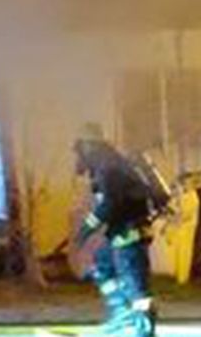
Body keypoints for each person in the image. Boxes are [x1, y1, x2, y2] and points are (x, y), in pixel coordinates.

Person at [74, 124, 157, 337]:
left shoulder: (107, 166)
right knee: (101, 264)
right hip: (121, 231)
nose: (78, 157)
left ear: (89, 146)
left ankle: (142, 329)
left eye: (80, 149)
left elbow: (110, 204)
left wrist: (86, 228)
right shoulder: (109, 163)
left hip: (129, 232)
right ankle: (122, 314)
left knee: (134, 283)